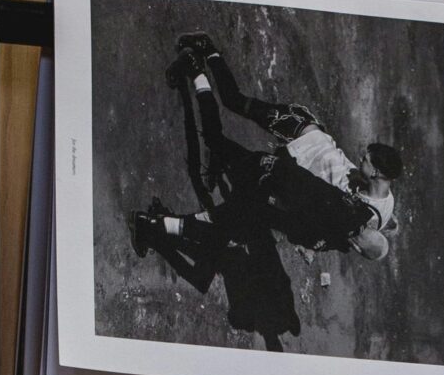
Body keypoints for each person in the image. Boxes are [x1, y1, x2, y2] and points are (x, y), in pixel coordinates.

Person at [128, 31, 403, 349]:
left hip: (282, 169)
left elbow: (328, 209)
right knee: (230, 115)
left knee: (228, 202)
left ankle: (160, 221)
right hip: (293, 144)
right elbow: (307, 198)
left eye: (365, 161)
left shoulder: (356, 214)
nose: (359, 161)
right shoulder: (350, 209)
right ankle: (203, 57)